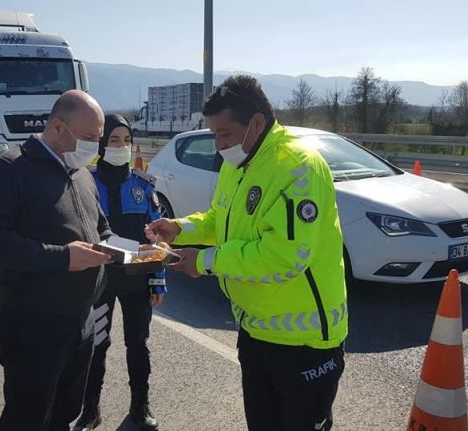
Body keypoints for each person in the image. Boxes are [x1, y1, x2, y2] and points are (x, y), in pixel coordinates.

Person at [146, 75, 348, 430]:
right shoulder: (236, 163)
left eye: (224, 134)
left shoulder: (297, 167)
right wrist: (179, 228)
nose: (218, 145)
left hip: (304, 342)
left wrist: (205, 262)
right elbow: (219, 219)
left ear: (256, 122)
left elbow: (285, 257)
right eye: (214, 135)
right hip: (255, 330)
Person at [0, 90, 114, 431]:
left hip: (80, 323)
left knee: (64, 415)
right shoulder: (9, 169)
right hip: (32, 328)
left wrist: (120, 249)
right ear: (58, 126)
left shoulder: (82, 175)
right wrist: (63, 257)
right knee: (27, 418)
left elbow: (101, 228)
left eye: (99, 137)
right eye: (89, 137)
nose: (95, 146)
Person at [74, 115, 166, 431]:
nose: (122, 147)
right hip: (98, 283)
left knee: (138, 344)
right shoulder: (85, 182)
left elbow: (156, 240)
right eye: (114, 141)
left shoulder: (142, 186)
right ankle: (90, 410)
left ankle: (140, 406)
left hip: (137, 283)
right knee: (95, 346)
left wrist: (157, 279)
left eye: (126, 141)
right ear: (101, 144)